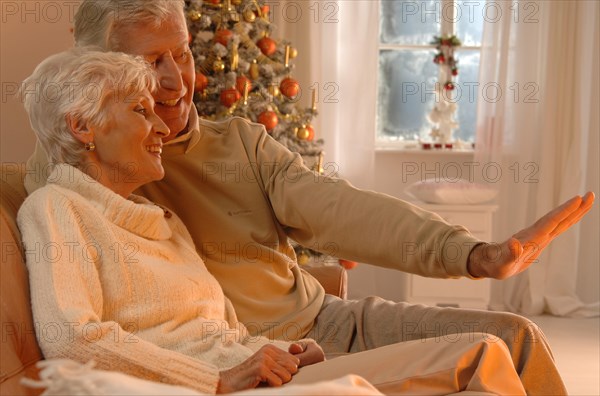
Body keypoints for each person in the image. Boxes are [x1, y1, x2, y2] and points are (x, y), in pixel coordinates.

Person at [22, 1, 594, 394]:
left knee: (516, 336)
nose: (176, 82)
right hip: (244, 357)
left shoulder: (237, 143)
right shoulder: (75, 182)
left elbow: (341, 208)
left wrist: (471, 253)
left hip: (320, 325)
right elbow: (75, 327)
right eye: (150, 65)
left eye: (184, 53)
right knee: (481, 354)